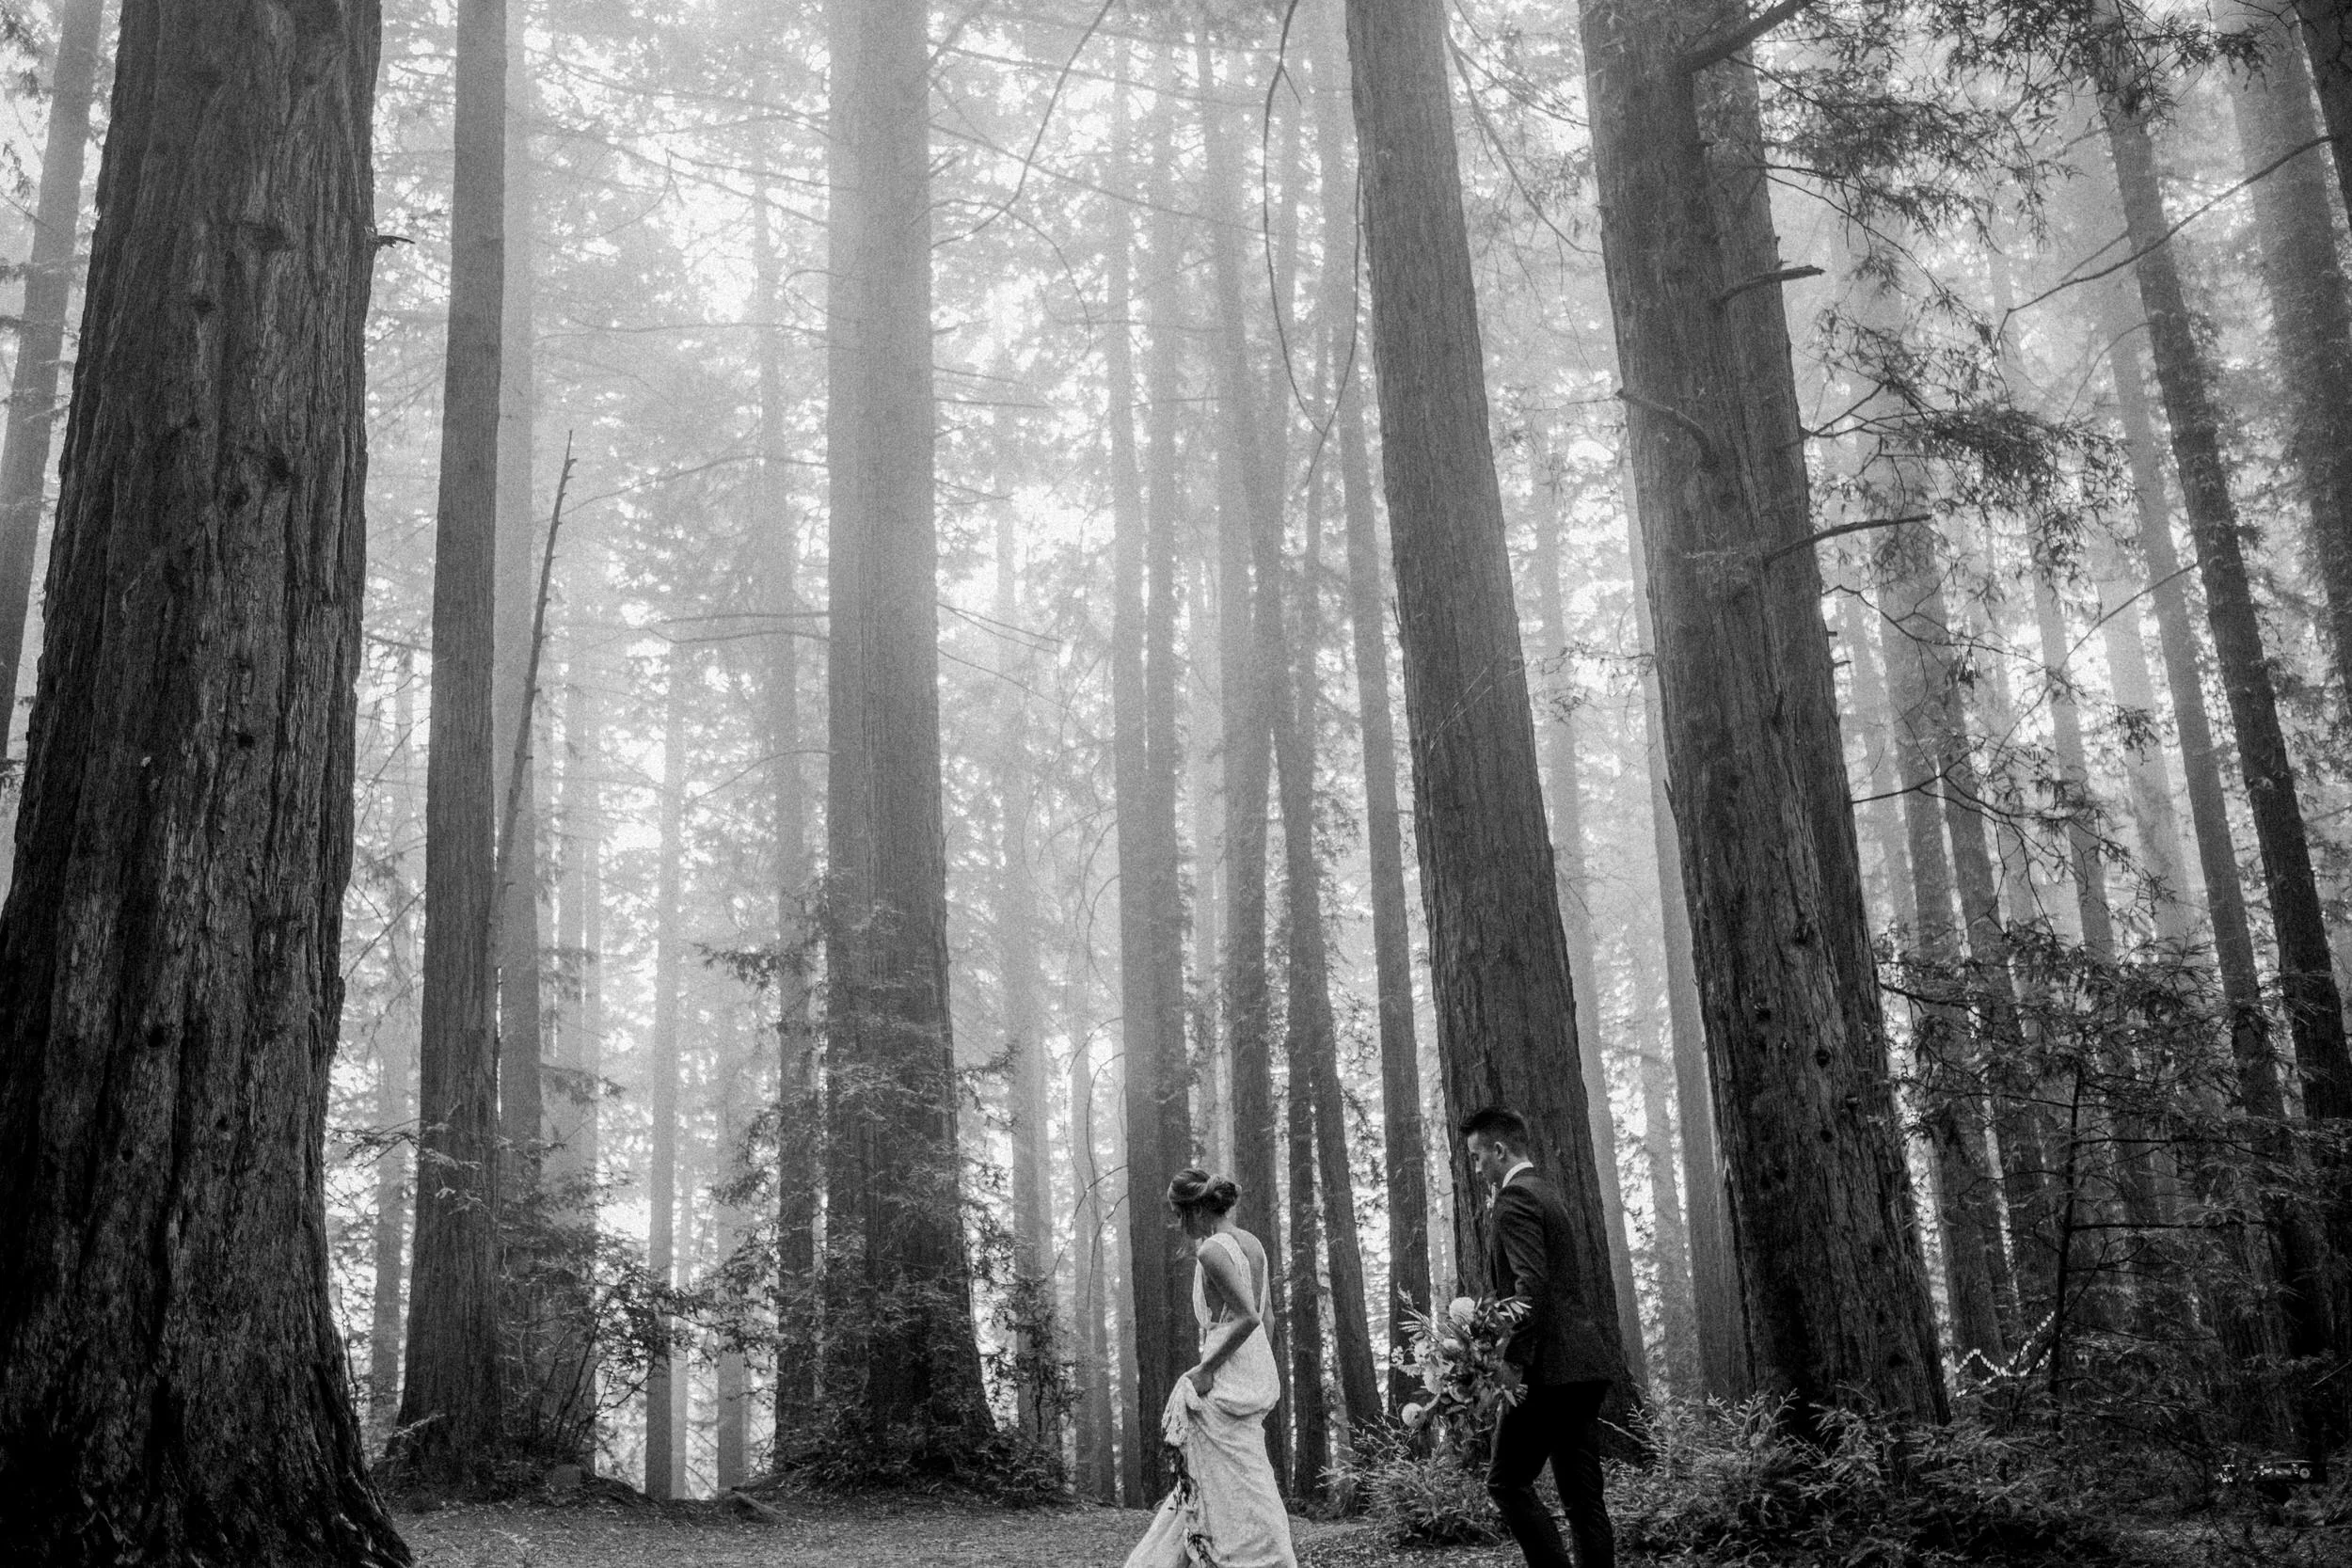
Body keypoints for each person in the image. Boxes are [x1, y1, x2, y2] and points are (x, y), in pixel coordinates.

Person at [1462, 1104, 1619, 1568]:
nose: (1477, 1169)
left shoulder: (1515, 1200)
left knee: (1506, 1482)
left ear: (1499, 1149)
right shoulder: (1546, 1192)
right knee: (1582, 1499)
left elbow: (1530, 1288)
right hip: (1583, 1365)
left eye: (1477, 1158)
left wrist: (1510, 1359)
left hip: (1545, 1371)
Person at [1123, 1169, 1296, 1568]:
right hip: (1250, 1370)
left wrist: (1207, 1370)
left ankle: (1260, 1557)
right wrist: (1252, 1367)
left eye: (1181, 1214)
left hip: (1223, 1375)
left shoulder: (1211, 1250)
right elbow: (1266, 1319)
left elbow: (1249, 1317)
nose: (1180, 1225)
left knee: (1218, 1480)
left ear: (1199, 1208)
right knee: (1224, 1475)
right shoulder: (1253, 1244)